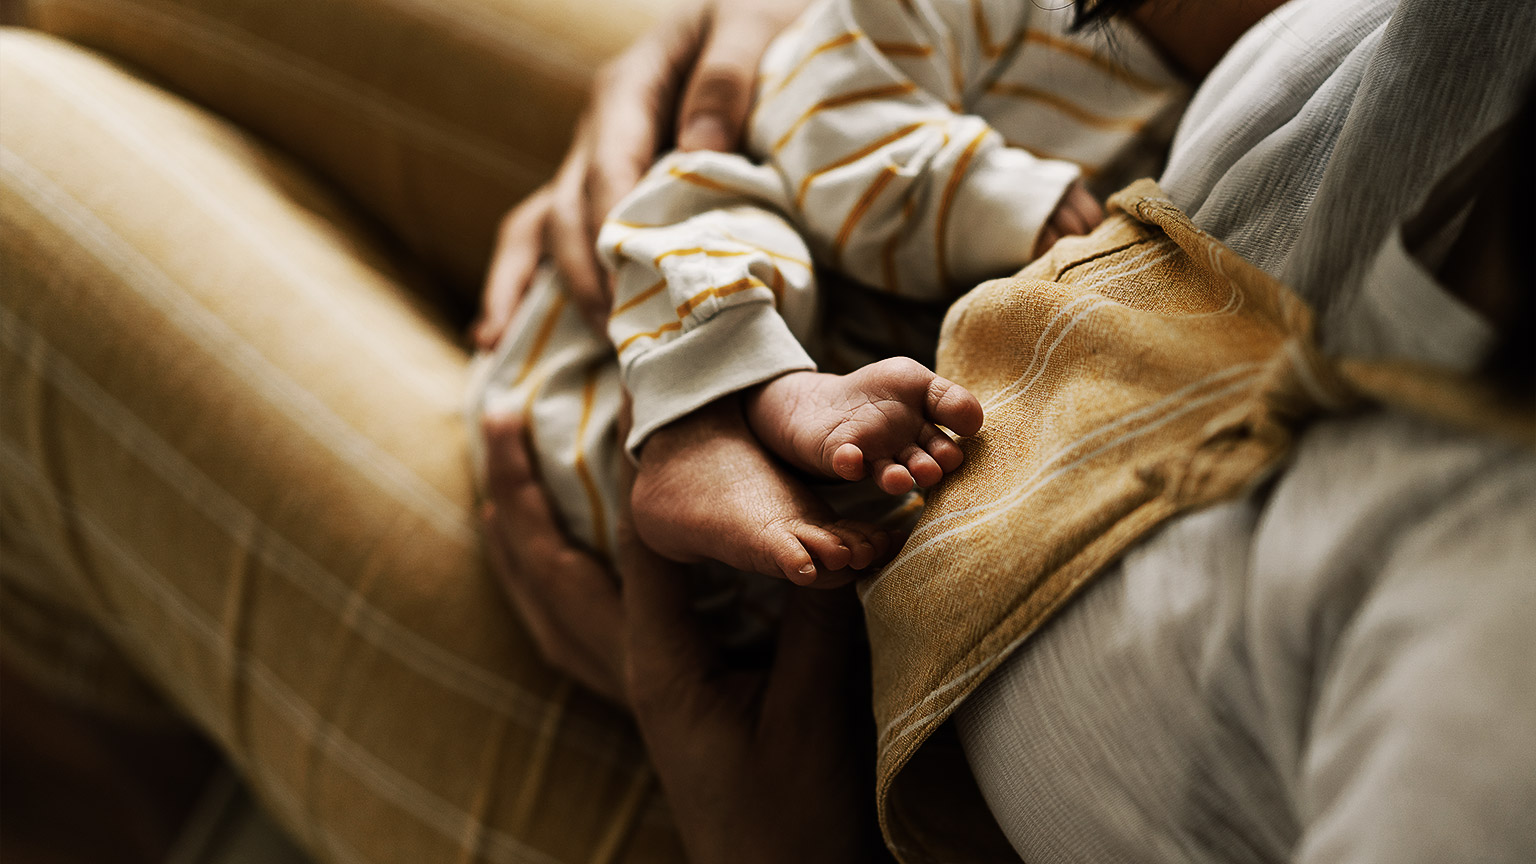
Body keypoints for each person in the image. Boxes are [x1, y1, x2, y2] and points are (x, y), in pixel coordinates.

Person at [470, 0, 1185, 585]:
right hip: (618, 370)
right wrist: (1000, 195)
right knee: (722, 198)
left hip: (768, 540)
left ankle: (771, 445)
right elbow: (818, 124)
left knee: (906, 469)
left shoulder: (1207, 106)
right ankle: (706, 422)